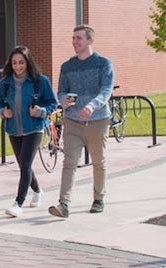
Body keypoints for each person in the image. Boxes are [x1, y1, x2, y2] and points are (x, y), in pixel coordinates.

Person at [50, 25, 114, 218]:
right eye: (73, 38)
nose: (75, 42)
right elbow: (61, 90)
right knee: (69, 162)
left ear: (89, 41)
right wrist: (64, 99)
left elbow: (106, 90)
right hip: (73, 121)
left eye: (79, 38)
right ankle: (63, 204)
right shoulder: (67, 66)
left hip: (98, 120)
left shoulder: (104, 64)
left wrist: (92, 106)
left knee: (98, 161)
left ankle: (98, 199)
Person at [0, 46, 57, 218]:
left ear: (28, 62)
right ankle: (37, 190)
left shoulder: (40, 81)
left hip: (34, 129)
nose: (18, 66)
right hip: (13, 129)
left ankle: (17, 203)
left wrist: (40, 111)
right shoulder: (4, 84)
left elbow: (52, 103)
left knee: (26, 164)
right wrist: (2, 112)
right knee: (23, 165)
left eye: (21, 62)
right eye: (14, 63)